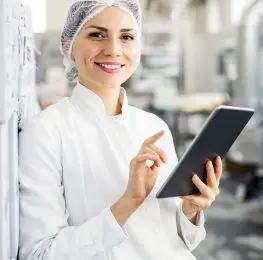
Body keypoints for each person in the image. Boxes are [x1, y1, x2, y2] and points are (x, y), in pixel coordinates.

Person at [18, 1, 221, 259]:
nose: (113, 50)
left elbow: (178, 242)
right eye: (96, 35)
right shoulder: (45, 132)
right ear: (70, 46)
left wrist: (190, 211)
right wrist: (127, 202)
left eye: (126, 37)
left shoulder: (154, 127)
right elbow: (40, 254)